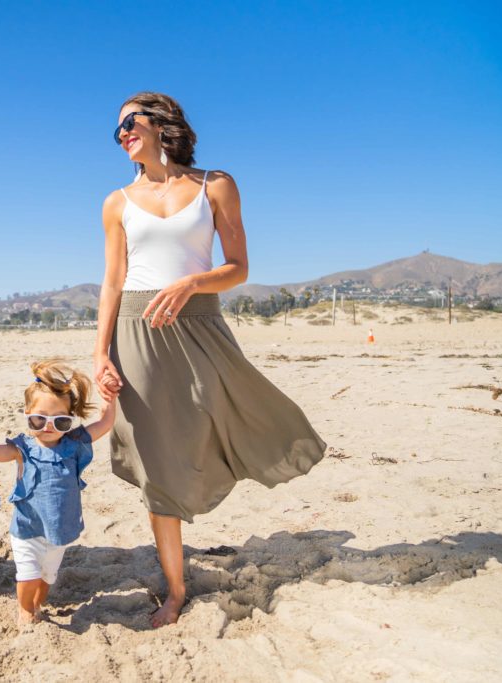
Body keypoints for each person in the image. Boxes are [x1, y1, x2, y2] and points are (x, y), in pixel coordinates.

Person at [94, 92, 326, 627]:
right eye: (117, 130)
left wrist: (194, 282)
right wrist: (99, 354)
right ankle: (174, 589)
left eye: (130, 122)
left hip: (200, 325)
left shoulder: (214, 185)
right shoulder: (116, 201)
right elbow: (111, 282)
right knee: (154, 459)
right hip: (136, 331)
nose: (123, 133)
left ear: (161, 123)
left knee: (229, 416)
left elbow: (239, 266)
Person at [0, 360, 117, 626]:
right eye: (38, 419)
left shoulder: (74, 444)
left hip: (59, 531)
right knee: (27, 576)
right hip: (27, 529)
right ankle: (25, 609)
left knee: (47, 577)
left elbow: (105, 422)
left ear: (70, 420)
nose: (48, 427)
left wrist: (110, 397)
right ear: (27, 414)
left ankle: (37, 604)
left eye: (60, 421)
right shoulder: (22, 448)